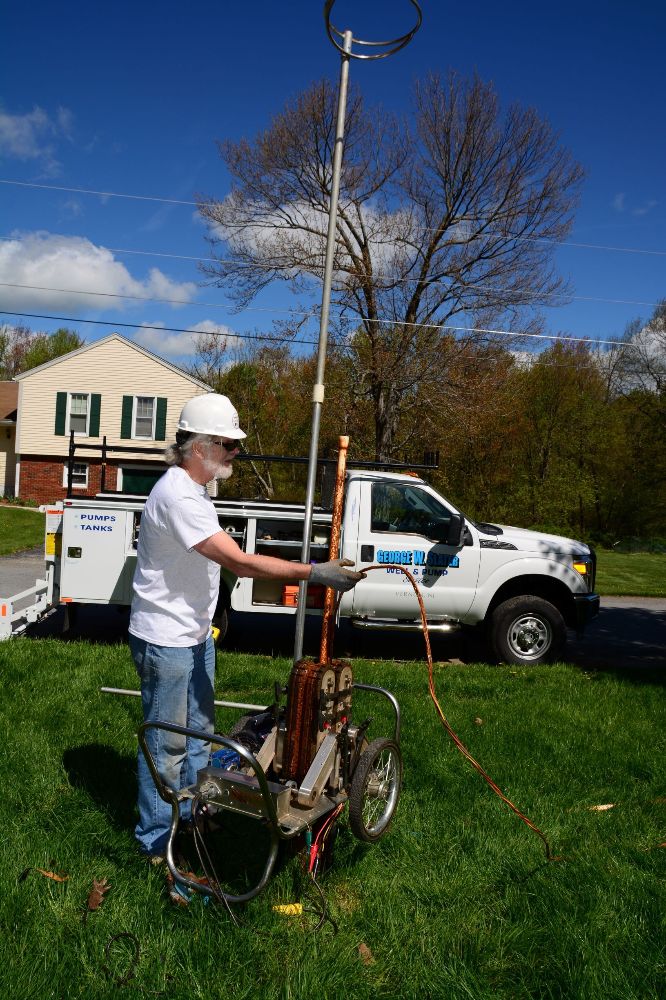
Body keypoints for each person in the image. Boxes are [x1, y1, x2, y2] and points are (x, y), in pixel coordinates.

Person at [128, 393, 364, 861]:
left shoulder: (194, 490)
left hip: (192, 636)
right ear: (198, 448)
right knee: (167, 744)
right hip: (166, 640)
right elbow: (240, 562)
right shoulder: (178, 496)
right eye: (226, 444)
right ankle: (156, 841)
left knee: (199, 733)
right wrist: (316, 572)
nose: (235, 452)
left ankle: (195, 814)